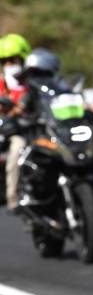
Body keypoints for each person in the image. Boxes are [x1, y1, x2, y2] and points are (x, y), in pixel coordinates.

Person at [0, 34, 31, 212]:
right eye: (6, 61)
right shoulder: (2, 83)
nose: (10, 65)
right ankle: (13, 200)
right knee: (16, 153)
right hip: (16, 130)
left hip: (38, 127)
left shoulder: (33, 82)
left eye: (14, 60)